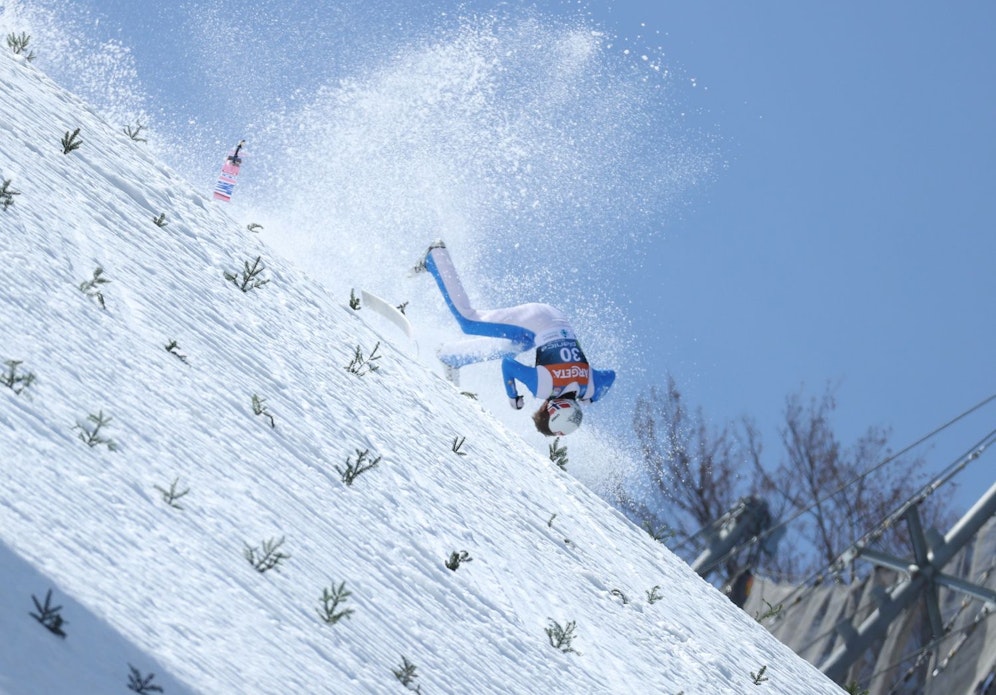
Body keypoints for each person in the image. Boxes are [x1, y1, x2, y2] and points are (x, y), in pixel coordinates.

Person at [416, 241, 615, 436]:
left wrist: (592, 397)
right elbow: (508, 365)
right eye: (542, 409)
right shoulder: (545, 386)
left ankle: (453, 356)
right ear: (551, 407)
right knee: (469, 321)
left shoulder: (591, 386)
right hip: (534, 320)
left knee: (516, 346)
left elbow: (611, 375)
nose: (542, 403)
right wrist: (513, 396)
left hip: (552, 320)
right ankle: (436, 258)